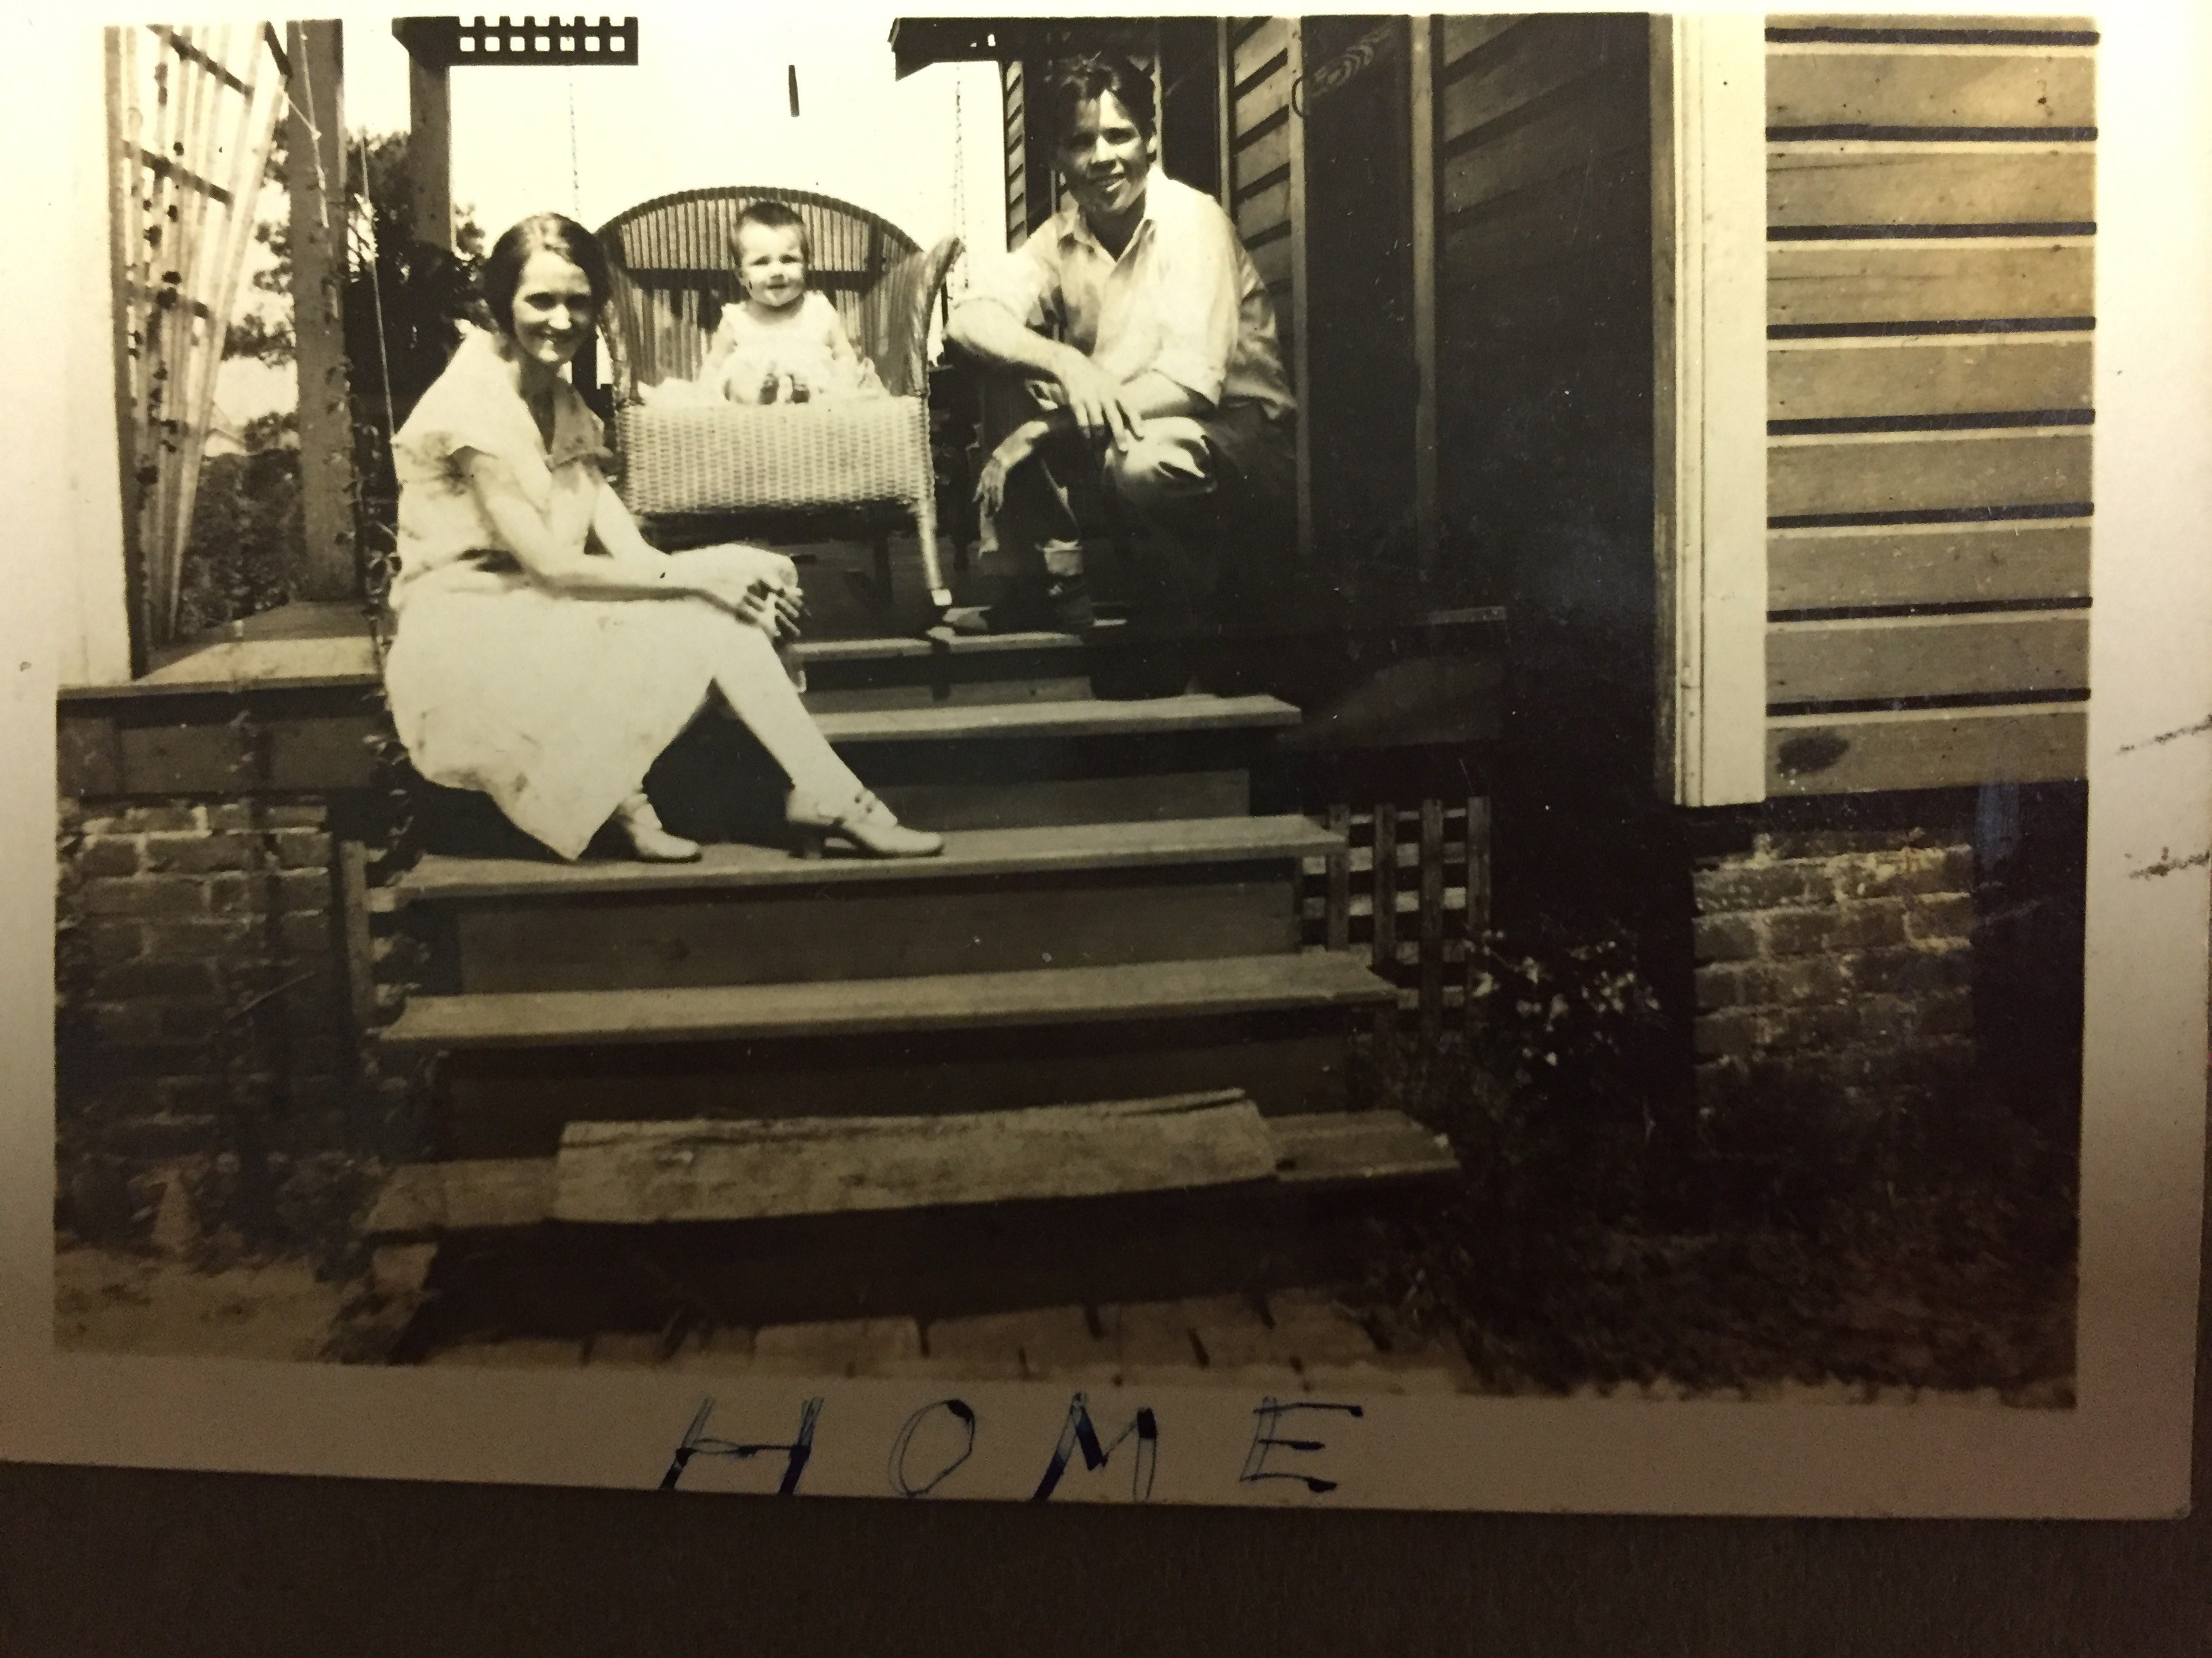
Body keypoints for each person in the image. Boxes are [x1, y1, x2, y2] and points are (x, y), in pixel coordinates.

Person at [380, 212, 942, 864]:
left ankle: (797, 794)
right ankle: (822, 799)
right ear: (501, 304)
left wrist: (738, 572)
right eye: (541, 300)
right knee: (715, 603)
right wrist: (707, 581)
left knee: (755, 573)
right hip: (468, 631)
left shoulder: (558, 402)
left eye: (578, 302)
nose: (561, 320)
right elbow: (550, 565)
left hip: (534, 607)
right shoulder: (473, 402)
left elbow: (637, 555)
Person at [944, 52, 1297, 675]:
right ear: (1058, 160)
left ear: (1151, 140)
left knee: (1142, 460)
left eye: (1120, 135)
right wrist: (1062, 361)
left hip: (1235, 439)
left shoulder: (1192, 220)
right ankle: (1046, 587)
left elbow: (1192, 385)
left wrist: (1041, 430)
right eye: (1081, 142)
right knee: (1005, 364)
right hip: (1123, 420)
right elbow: (968, 319)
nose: (1102, 157)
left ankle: (1194, 605)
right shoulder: (1062, 235)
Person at [699, 201, 885, 405]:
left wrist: (843, 382)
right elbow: (713, 368)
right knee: (738, 379)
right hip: (751, 407)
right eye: (761, 262)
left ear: (806, 266)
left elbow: (844, 356)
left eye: (788, 260)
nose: (777, 271)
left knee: (825, 377)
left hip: (815, 399)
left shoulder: (819, 310)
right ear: (741, 275)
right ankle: (762, 396)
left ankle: (804, 395)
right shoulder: (736, 319)